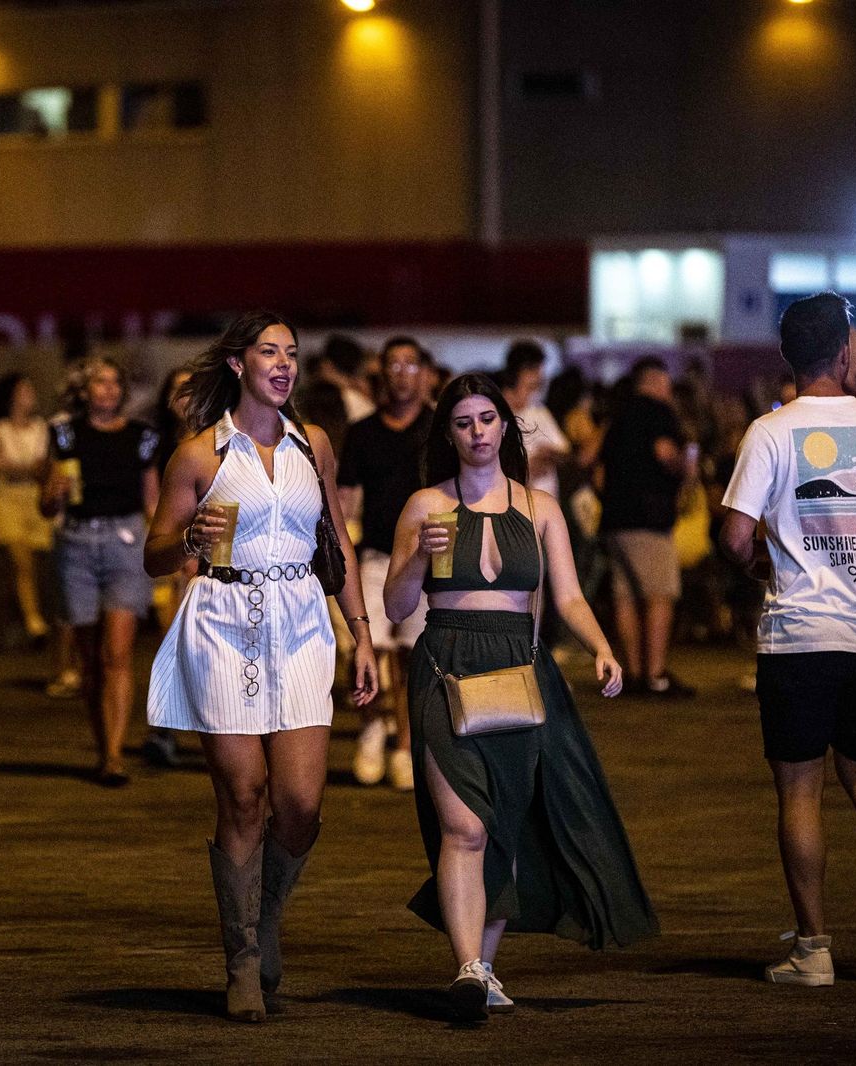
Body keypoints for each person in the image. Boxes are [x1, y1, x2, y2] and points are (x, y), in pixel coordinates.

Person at [383, 371, 654, 1022]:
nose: (477, 432)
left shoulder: (540, 509)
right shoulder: (425, 506)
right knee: (465, 826)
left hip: (520, 670)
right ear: (447, 434)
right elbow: (396, 607)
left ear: (505, 424)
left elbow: (567, 597)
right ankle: (469, 966)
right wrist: (421, 556)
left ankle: (484, 965)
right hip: (447, 666)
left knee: (505, 827)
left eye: (486, 419)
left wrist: (602, 649)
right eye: (463, 422)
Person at [145, 311, 379, 1022]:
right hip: (223, 623)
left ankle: (265, 912)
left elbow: (335, 539)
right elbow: (156, 557)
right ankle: (242, 958)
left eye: (292, 353)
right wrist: (188, 534)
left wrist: (362, 632)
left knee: (302, 804)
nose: (284, 363)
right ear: (240, 364)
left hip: (303, 622)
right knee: (243, 795)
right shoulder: (199, 456)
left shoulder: (316, 446)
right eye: (269, 352)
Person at [719, 292, 856, 986]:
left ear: (787, 357)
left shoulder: (771, 432)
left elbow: (733, 535)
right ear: (844, 353)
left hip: (800, 636)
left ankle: (814, 949)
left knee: (801, 789)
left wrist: (760, 568)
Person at [42, 356, 160, 787]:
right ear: (84, 390)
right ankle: (101, 746)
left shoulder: (143, 436)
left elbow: (152, 499)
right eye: (99, 382)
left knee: (118, 654)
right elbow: (48, 503)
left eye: (115, 382)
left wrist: (173, 545)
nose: (108, 390)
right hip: (76, 541)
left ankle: (114, 754)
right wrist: (50, 494)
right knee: (90, 658)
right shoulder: (65, 433)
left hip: (125, 541)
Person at [336, 336, 433, 791]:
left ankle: (406, 747)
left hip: (426, 558)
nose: (401, 373)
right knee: (367, 647)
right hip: (374, 554)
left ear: (425, 373)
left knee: (415, 655)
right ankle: (373, 727)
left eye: (410, 364)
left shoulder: (439, 429)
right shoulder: (363, 432)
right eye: (392, 364)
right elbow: (347, 499)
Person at [599, 357, 696, 698]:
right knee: (660, 593)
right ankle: (655, 676)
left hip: (614, 518)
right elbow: (665, 453)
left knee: (624, 595)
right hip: (648, 518)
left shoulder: (618, 415)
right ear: (656, 381)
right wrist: (687, 467)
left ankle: (635, 674)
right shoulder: (658, 412)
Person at [145, 363, 198, 768]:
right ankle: (163, 729)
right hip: (169, 550)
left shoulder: (218, 440)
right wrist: (176, 551)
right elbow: (151, 500)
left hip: (209, 556)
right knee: (170, 641)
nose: (185, 397)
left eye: (191, 389)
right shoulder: (159, 443)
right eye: (177, 389)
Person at [0, 372, 53, 646]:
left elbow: (44, 465)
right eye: (24, 390)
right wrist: (27, 468)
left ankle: (19, 622)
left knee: (33, 569)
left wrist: (22, 468)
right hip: (7, 501)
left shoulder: (41, 428)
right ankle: (34, 622)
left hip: (35, 501)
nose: (30, 395)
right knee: (20, 561)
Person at [499, 340, 570, 498]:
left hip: (546, 504)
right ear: (521, 371)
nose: (540, 377)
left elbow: (564, 451)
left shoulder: (539, 411)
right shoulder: (494, 414)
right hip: (512, 505)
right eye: (536, 370)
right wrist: (525, 471)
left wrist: (547, 455)